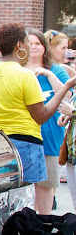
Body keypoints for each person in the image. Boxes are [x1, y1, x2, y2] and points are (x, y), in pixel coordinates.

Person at [0, 23, 76, 213]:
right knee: (24, 205)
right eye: (27, 42)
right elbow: (41, 116)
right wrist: (65, 87)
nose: (30, 46)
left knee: (2, 203)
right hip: (25, 145)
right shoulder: (25, 75)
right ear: (19, 46)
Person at [24, 30, 70, 214]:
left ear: (44, 47)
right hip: (25, 136)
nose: (34, 47)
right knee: (24, 191)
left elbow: (67, 94)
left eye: (38, 43)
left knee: (46, 188)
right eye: (30, 43)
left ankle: (43, 229)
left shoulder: (57, 69)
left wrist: (49, 75)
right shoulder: (18, 69)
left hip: (49, 138)